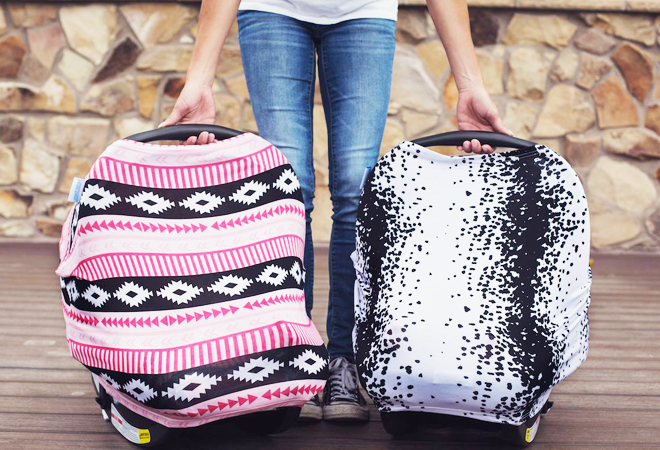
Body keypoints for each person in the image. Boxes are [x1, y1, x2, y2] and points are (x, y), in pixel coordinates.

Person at [160, 0, 512, 423]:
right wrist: (200, 78)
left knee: (354, 189)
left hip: (364, 12)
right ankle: (294, 358)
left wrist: (469, 84)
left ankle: (343, 361)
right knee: (289, 187)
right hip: (271, 10)